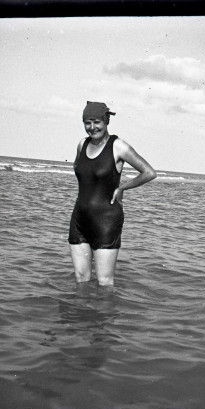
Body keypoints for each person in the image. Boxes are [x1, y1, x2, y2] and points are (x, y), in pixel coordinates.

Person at [68, 101, 156, 287]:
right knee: (80, 279)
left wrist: (122, 187)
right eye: (87, 122)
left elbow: (149, 172)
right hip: (79, 220)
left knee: (105, 283)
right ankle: (80, 316)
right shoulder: (82, 144)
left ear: (107, 120)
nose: (92, 127)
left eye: (97, 121)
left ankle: (104, 316)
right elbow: (78, 167)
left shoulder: (118, 146)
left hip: (106, 221)